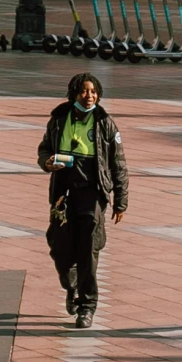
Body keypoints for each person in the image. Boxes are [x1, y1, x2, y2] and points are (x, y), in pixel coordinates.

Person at [38, 72, 127, 328]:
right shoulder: (58, 119)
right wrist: (46, 161)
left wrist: (121, 200)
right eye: (84, 92)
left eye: (94, 92)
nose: (89, 97)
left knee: (88, 251)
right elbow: (44, 147)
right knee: (59, 249)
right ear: (74, 93)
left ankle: (86, 306)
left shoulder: (104, 122)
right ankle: (72, 286)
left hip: (92, 195)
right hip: (63, 195)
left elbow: (118, 163)